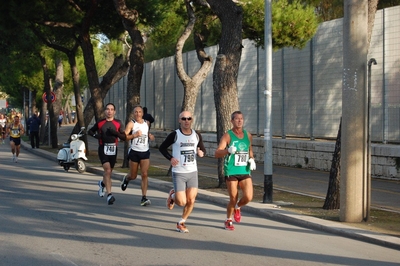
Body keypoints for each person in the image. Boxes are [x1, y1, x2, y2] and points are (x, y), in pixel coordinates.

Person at [159, 111, 206, 233]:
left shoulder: (196, 135)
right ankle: (173, 195)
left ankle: (181, 222)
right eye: (183, 119)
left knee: (191, 200)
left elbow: (202, 148)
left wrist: (201, 153)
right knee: (182, 202)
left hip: (192, 172)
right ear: (179, 120)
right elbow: (162, 148)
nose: (186, 121)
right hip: (179, 172)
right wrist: (171, 158)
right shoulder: (175, 135)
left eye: (189, 118)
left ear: (192, 120)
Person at [214, 111, 256, 231]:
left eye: (241, 119)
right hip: (231, 171)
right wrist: (228, 151)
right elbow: (217, 153)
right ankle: (228, 220)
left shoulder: (248, 135)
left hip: (245, 170)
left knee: (248, 197)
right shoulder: (227, 136)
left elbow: (249, 149)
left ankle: (237, 207)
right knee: (233, 198)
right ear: (232, 121)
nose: (239, 121)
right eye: (236, 119)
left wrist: (252, 159)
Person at [88, 103, 126, 205]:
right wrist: (97, 136)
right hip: (103, 148)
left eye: (111, 109)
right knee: (108, 171)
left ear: (114, 112)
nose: (109, 111)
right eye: (107, 109)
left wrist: (116, 133)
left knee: (109, 173)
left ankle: (102, 184)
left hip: (113, 149)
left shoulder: (118, 123)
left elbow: (124, 136)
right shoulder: (100, 123)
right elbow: (90, 131)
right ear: (105, 111)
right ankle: (109, 195)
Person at [120, 106, 155, 206]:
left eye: (140, 112)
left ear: (142, 113)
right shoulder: (131, 124)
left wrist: (150, 136)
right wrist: (134, 135)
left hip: (145, 151)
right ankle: (126, 179)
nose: (138, 114)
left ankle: (144, 198)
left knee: (144, 174)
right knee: (133, 176)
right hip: (134, 152)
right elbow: (124, 137)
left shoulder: (147, 123)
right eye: (136, 112)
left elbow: (147, 132)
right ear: (133, 113)